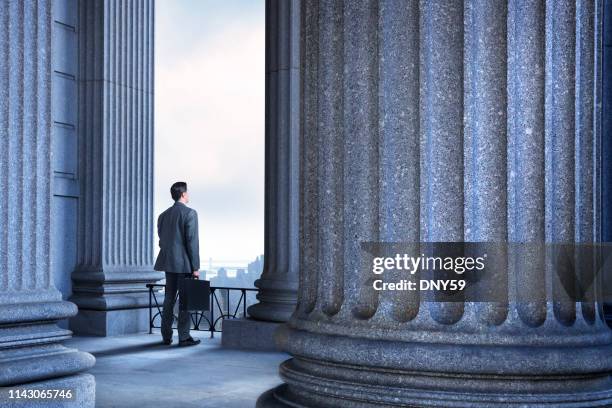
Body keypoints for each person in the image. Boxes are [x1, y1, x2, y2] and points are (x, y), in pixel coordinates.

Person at [154, 181, 201, 347]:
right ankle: (184, 336)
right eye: (187, 193)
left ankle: (166, 336)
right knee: (185, 301)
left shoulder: (163, 215)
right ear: (183, 194)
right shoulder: (190, 213)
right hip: (184, 265)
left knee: (169, 299)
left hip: (168, 263)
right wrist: (195, 267)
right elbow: (192, 242)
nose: (188, 195)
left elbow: (162, 241)